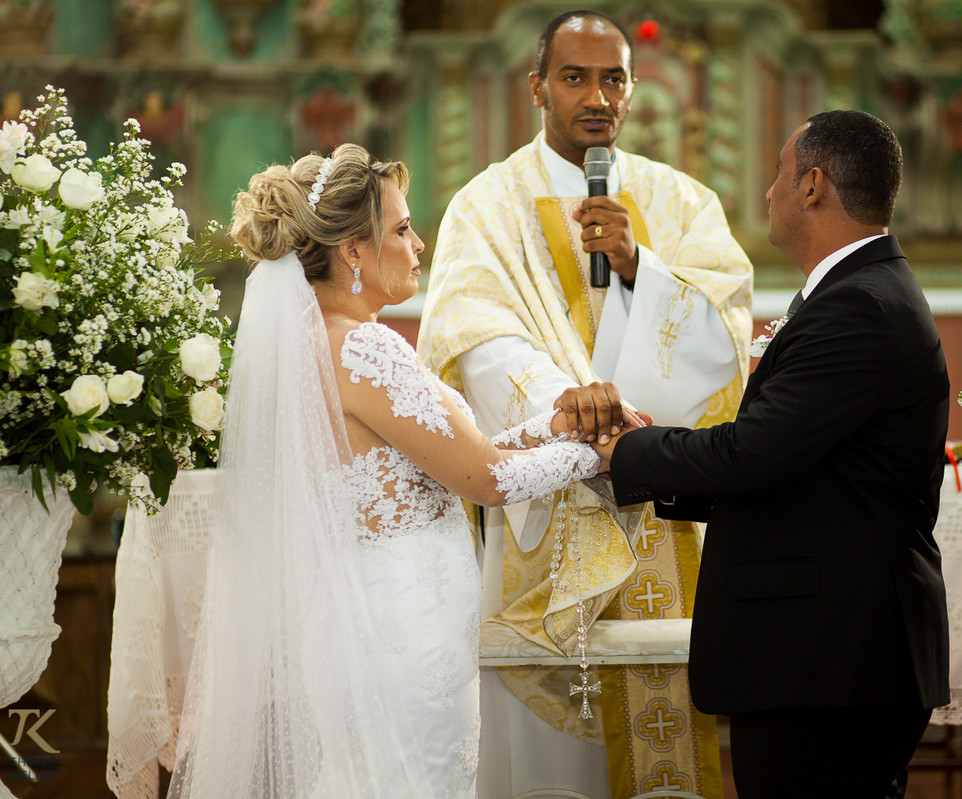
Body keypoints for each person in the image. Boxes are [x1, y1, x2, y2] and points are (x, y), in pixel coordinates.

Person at [166, 144, 631, 798]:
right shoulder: (364, 346)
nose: (419, 243)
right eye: (402, 229)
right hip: (400, 629)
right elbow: (486, 479)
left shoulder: (315, 343)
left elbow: (454, 453)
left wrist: (560, 426)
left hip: (369, 620)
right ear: (354, 250)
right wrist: (600, 453)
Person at [416, 9, 752, 798]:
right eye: (575, 76)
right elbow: (470, 330)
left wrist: (640, 267)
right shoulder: (484, 205)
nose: (596, 95)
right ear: (538, 86)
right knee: (545, 763)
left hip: (658, 502)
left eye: (614, 78)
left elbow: (724, 331)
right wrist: (564, 402)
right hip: (547, 497)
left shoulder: (682, 202)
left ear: (635, 91)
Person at [592, 110, 952, 798]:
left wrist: (626, 452)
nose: (768, 193)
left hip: (831, 659)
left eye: (780, 174)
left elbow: (752, 454)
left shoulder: (860, 308)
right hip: (827, 655)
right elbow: (792, 463)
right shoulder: (864, 293)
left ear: (813, 185)